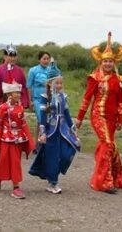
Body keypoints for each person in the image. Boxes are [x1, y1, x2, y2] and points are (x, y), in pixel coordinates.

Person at [75, 32, 122, 194]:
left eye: (110, 61)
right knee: (107, 144)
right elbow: (87, 98)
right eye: (105, 61)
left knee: (109, 145)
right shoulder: (94, 78)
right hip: (98, 115)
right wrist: (80, 118)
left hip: (112, 119)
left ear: (114, 62)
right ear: (101, 61)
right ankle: (103, 182)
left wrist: (120, 119)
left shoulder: (118, 80)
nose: (108, 64)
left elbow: (120, 101)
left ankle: (112, 177)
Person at [29, 60, 80, 194]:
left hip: (63, 131)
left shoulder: (63, 97)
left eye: (60, 83)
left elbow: (67, 115)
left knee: (66, 153)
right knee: (52, 157)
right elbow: (43, 117)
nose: (59, 85)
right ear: (50, 83)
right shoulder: (44, 98)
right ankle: (53, 182)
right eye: (56, 83)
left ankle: (54, 176)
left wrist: (73, 130)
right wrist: (43, 133)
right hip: (51, 132)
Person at [0, 81, 35, 199]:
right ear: (9, 95)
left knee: (15, 162)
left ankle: (16, 187)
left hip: (18, 139)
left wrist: (29, 140)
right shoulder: (3, 108)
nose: (18, 94)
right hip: (6, 139)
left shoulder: (20, 108)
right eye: (16, 92)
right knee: (3, 160)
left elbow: (23, 124)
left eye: (19, 92)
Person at [27, 51, 52, 130]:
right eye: (44, 59)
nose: (46, 61)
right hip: (37, 99)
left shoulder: (51, 71)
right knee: (41, 120)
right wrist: (30, 101)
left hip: (48, 99)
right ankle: (41, 140)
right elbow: (29, 86)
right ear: (39, 60)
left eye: (48, 59)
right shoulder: (33, 70)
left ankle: (39, 141)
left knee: (47, 121)